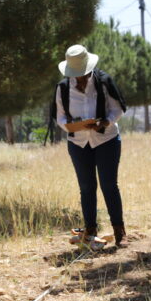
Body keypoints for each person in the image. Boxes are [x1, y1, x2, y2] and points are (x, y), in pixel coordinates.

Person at [54, 44, 127, 248]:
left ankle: (119, 231)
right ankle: (90, 231)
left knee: (109, 186)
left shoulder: (103, 82)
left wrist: (105, 122)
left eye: (83, 74)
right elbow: (60, 117)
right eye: (76, 75)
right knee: (86, 187)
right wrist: (72, 125)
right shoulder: (62, 88)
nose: (80, 79)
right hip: (78, 143)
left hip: (106, 140)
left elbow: (117, 109)